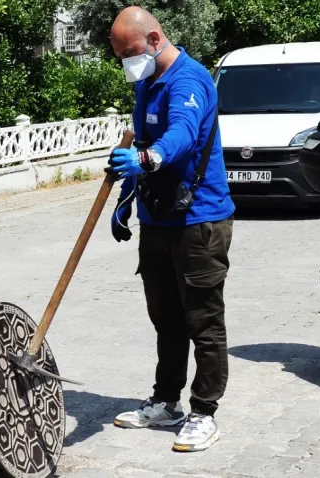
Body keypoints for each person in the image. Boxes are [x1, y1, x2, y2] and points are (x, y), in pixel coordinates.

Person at [104, 7, 236, 453]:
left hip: (199, 221)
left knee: (203, 320)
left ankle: (204, 412)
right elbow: (142, 144)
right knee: (166, 318)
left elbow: (180, 135)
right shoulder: (146, 82)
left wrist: (145, 160)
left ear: (155, 38)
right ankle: (166, 402)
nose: (127, 61)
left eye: (131, 52)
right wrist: (126, 196)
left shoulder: (188, 79)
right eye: (120, 55)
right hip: (158, 218)